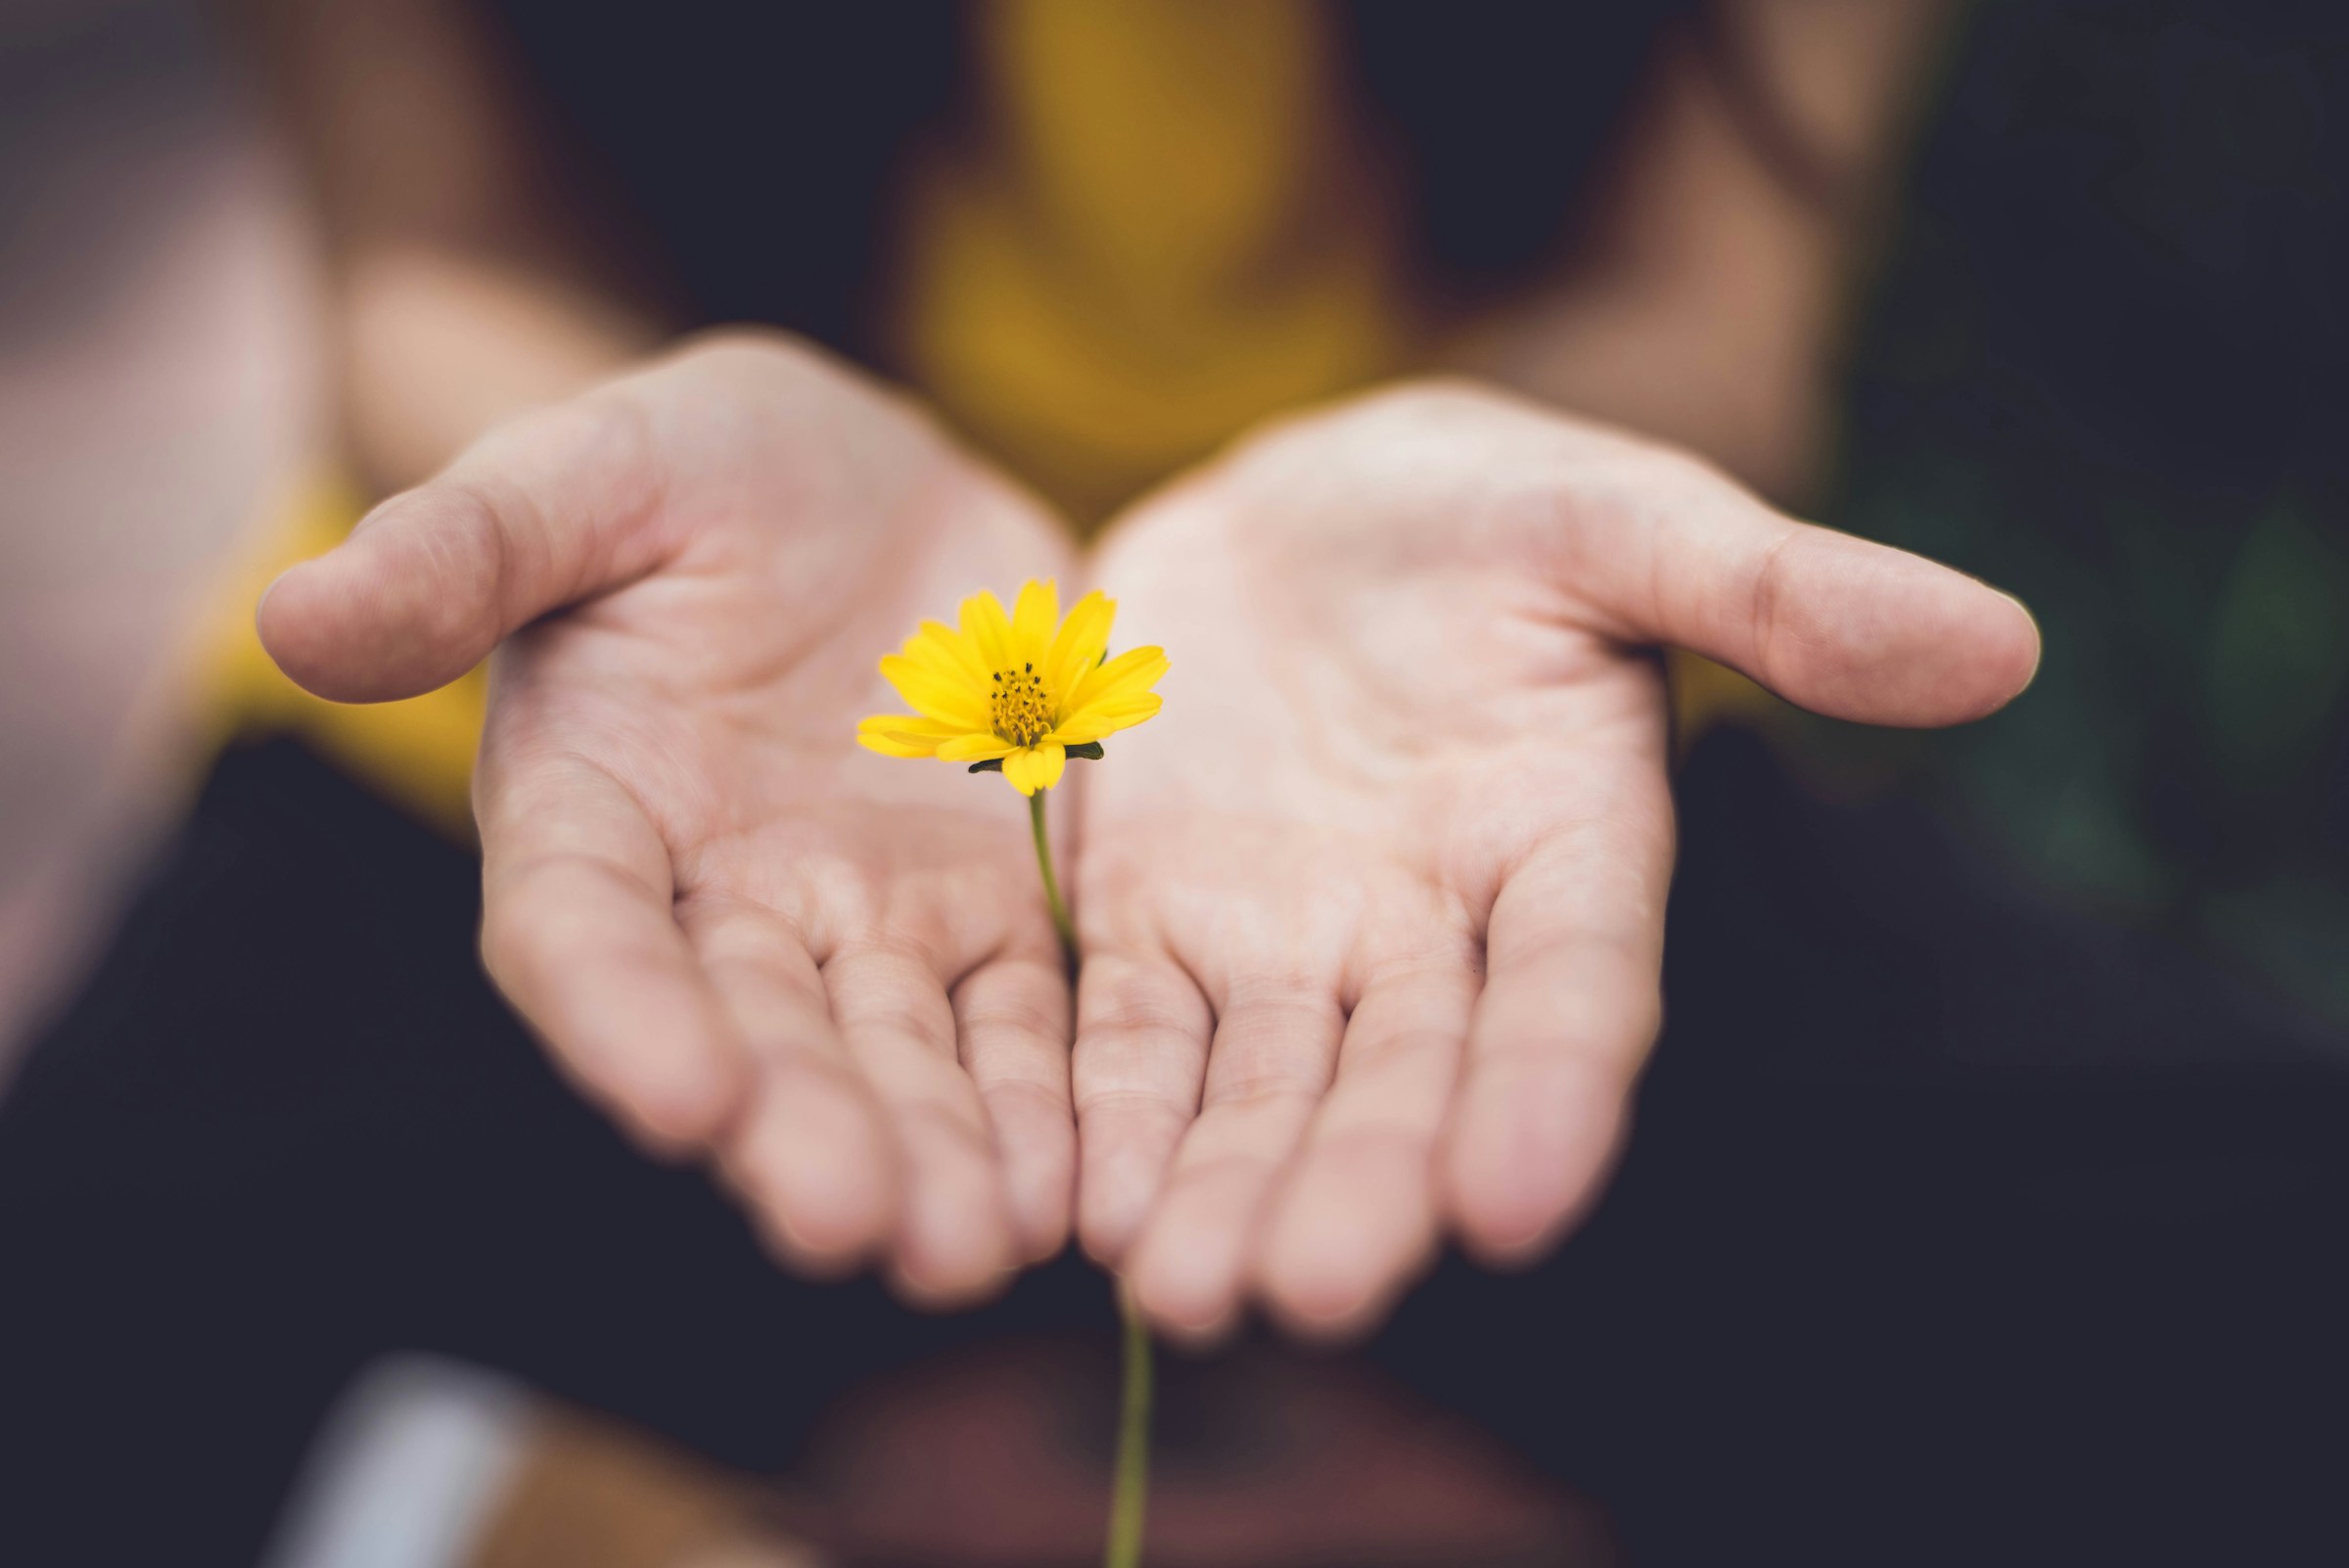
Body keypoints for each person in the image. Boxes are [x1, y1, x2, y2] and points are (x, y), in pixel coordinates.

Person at [5, 3, 2344, 1563]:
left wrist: (1530, 470)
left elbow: (1703, 301)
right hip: (629, 750)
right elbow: (435, 248)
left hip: (1441, 765)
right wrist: (585, 493)